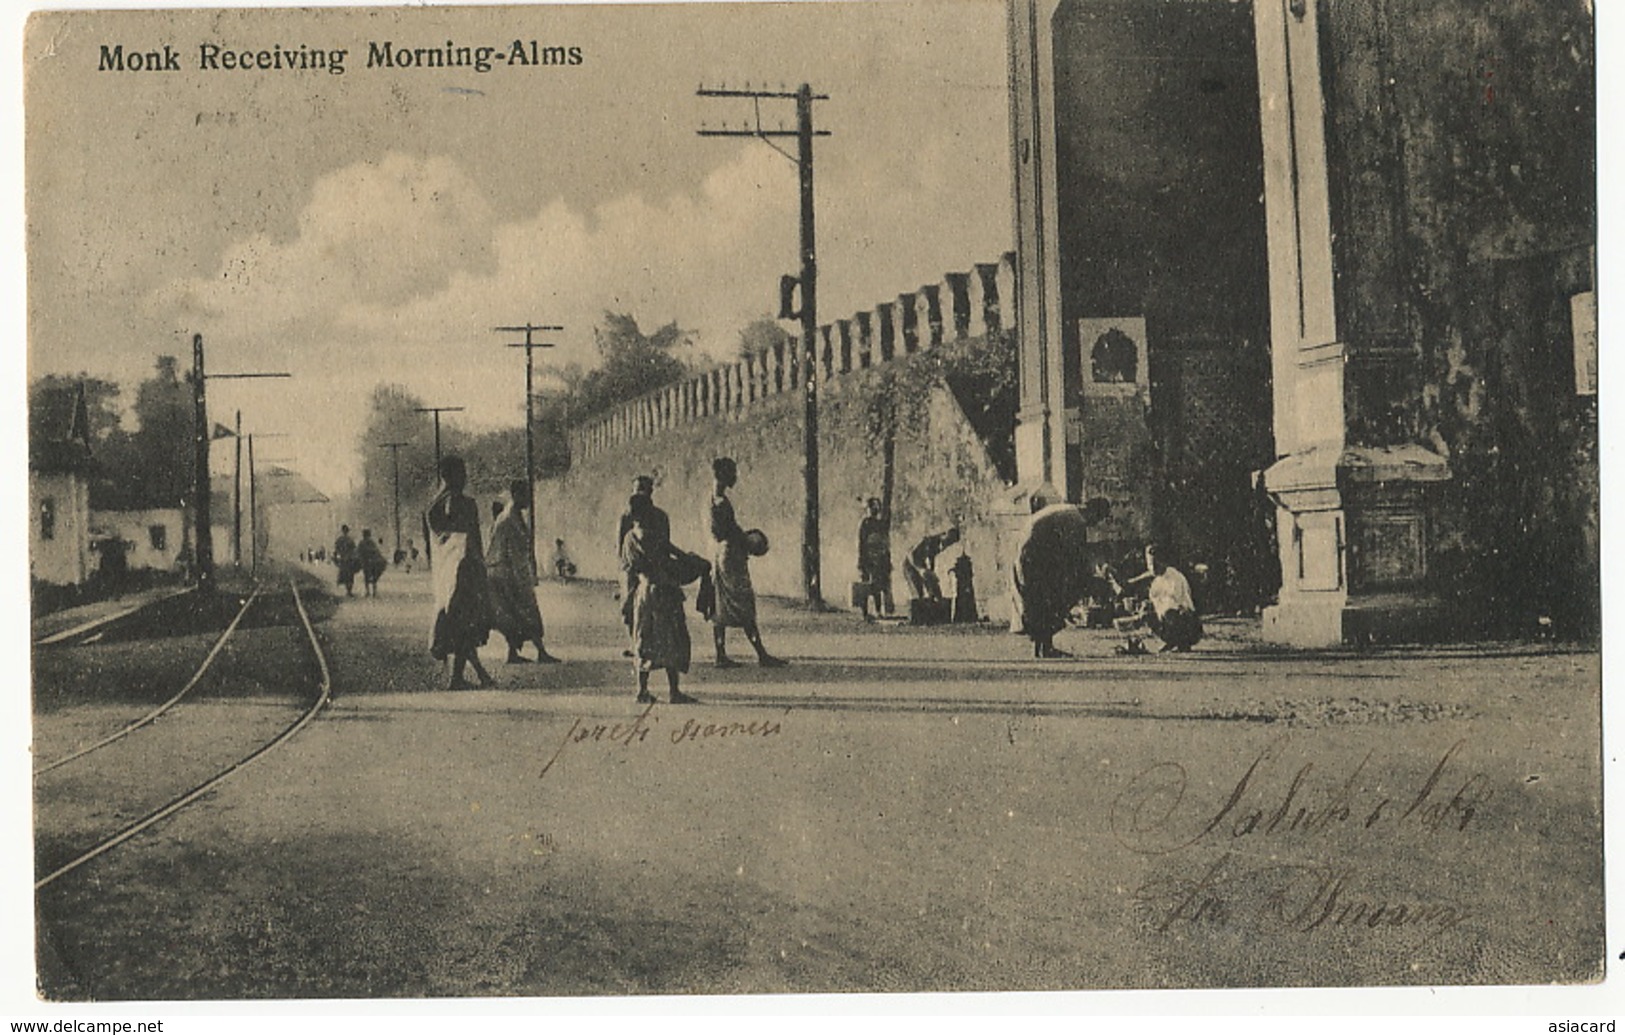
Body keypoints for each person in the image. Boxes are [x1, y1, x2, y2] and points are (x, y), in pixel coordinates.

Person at [623, 491, 709, 705]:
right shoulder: (653, 536)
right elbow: (672, 556)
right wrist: (694, 561)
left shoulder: (629, 537)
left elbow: (630, 568)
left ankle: (642, 690)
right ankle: (674, 692)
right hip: (664, 591)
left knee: (644, 639)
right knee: (673, 638)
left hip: (643, 593)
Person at [705, 457, 786, 668]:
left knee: (720, 605)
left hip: (722, 554)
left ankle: (721, 654)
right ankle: (761, 654)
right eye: (733, 473)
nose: (736, 477)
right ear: (723, 475)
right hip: (731, 555)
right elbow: (728, 531)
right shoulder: (721, 503)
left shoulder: (711, 498)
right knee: (745, 603)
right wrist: (749, 540)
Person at [424, 456, 495, 690]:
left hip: (444, 577)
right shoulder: (464, 503)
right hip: (466, 571)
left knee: (459, 625)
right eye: (461, 473)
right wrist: (480, 570)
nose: (464, 477)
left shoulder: (432, 506)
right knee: (467, 625)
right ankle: (458, 678)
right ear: (449, 475)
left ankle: (476, 675)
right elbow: (469, 542)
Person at [1012, 497, 1109, 658]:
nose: (1095, 524)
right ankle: (1045, 647)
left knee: (1040, 602)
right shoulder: (1075, 520)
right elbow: (1074, 556)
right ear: (1094, 512)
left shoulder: (1066, 510)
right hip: (1036, 561)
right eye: (1098, 518)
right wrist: (1091, 579)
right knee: (1053, 598)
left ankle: (1041, 647)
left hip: (1028, 557)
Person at [487, 479, 560, 664]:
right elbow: (514, 554)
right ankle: (540, 652)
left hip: (508, 572)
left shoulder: (513, 515)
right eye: (526, 495)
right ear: (516, 495)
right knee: (526, 611)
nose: (529, 499)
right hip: (508, 574)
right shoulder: (509, 519)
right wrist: (525, 579)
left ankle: (516, 653)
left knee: (516, 613)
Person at [1120, 543, 1203, 653]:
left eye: (1156, 563)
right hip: (1169, 619)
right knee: (1148, 613)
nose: (1152, 567)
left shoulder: (1174, 577)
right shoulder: (1157, 581)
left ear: (1163, 561)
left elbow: (1176, 605)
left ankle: (1182, 642)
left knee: (1170, 613)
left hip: (1189, 624)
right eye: (1150, 564)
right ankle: (1171, 641)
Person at [856, 497, 893, 621]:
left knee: (878, 584)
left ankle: (878, 610)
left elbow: (885, 543)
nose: (874, 510)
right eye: (872, 507)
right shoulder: (865, 523)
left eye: (876, 507)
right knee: (865, 583)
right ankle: (864, 612)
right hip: (867, 558)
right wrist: (861, 560)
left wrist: (887, 559)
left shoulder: (880, 524)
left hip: (879, 558)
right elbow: (861, 543)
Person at [902, 527, 960, 601]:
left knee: (932, 585)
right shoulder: (927, 540)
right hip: (910, 565)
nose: (947, 544)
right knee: (918, 593)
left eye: (950, 543)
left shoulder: (941, 545)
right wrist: (919, 569)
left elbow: (931, 557)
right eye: (948, 540)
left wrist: (932, 572)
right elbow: (910, 554)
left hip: (921, 565)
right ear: (944, 534)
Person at [357, 529, 387, 597]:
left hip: (366, 562)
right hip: (372, 561)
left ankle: (368, 591)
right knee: (374, 577)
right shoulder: (372, 542)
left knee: (366, 577)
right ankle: (374, 592)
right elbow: (376, 551)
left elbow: (359, 552)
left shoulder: (362, 543)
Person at [332, 525, 358, 597]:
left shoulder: (339, 540)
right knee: (350, 575)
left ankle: (348, 590)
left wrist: (335, 558)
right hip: (350, 559)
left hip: (343, 560)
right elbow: (354, 550)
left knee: (345, 574)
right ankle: (349, 591)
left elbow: (336, 550)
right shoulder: (350, 540)